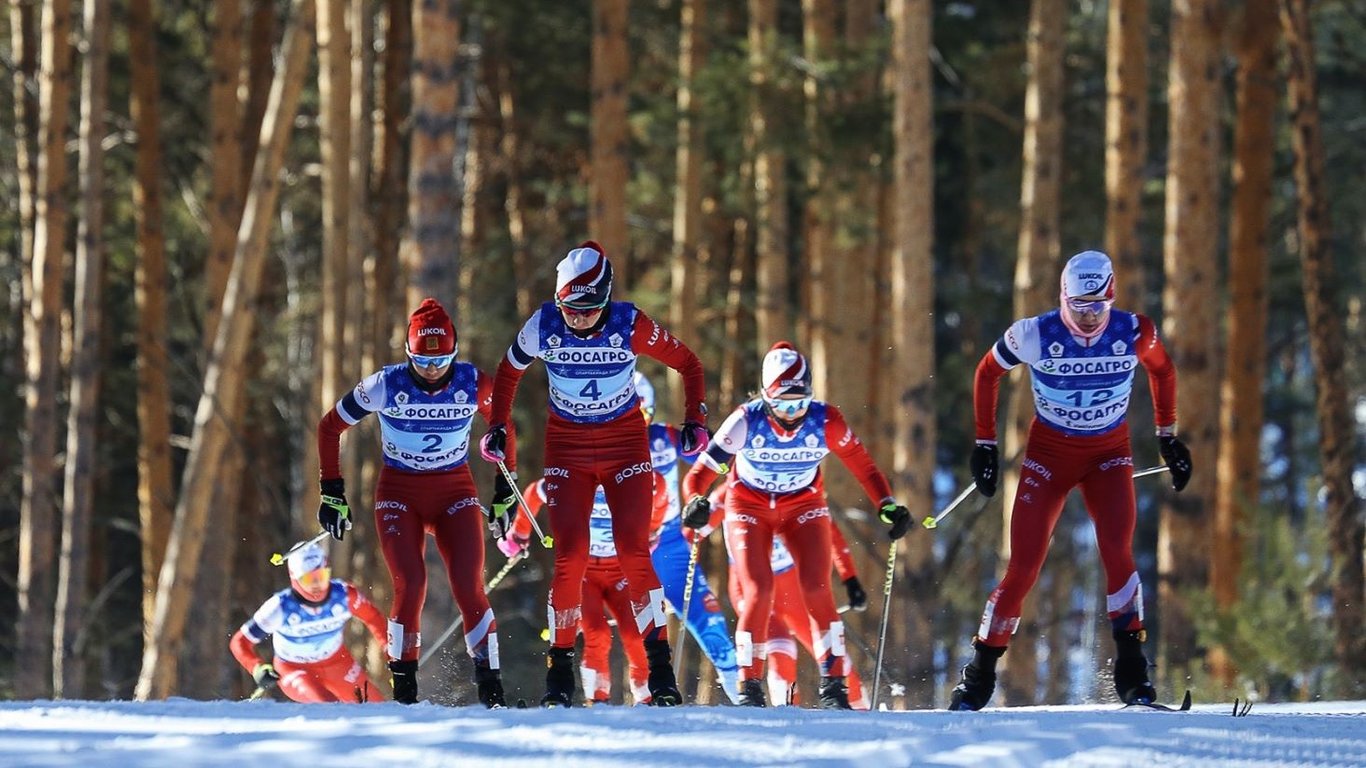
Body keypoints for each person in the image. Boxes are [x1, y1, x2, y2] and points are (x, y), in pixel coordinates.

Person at [950, 250, 1193, 711]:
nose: (1087, 318)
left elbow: (1162, 369)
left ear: (1111, 298)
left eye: (1097, 307)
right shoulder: (1034, 333)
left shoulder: (1134, 331)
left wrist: (1168, 437)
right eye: (1078, 307)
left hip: (1108, 454)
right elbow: (987, 373)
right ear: (1063, 298)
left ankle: (1133, 674)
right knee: (1023, 566)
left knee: (1118, 551)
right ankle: (978, 677)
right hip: (1049, 456)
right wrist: (984, 444)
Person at [479, 241, 710, 707]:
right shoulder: (544, 323)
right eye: (570, 308)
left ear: (605, 299)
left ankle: (660, 670)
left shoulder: (629, 323)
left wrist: (695, 420)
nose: (577, 318)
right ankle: (560, 673)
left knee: (633, 551)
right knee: (571, 556)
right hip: (567, 448)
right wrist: (499, 426)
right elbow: (508, 372)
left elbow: (688, 363)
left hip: (625, 444)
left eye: (588, 310)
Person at [679, 341, 912, 709]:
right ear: (766, 398)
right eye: (784, 405)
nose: (793, 414)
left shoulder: (826, 421)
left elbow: (864, 467)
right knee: (758, 591)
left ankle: (833, 686)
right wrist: (696, 500)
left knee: (817, 589)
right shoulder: (746, 420)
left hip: (803, 505)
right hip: (749, 507)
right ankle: (749, 686)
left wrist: (887, 505)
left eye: (801, 403)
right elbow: (699, 475)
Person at [316, 298, 518, 708]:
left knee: (468, 585)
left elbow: (503, 426)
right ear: (408, 355)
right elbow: (329, 426)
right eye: (422, 362)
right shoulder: (385, 385)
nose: (432, 370)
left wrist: (504, 491)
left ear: (454, 352)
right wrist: (331, 491)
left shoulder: (473, 383)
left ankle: (492, 689)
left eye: (442, 360)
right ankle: (405, 693)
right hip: (399, 495)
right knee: (411, 583)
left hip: (454, 493)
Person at [501, 471, 671, 705]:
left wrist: (651, 531)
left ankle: (647, 697)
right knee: (597, 632)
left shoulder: (643, 477)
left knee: (636, 633)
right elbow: (533, 493)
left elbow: (661, 500)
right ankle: (598, 699)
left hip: (620, 569)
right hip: (584, 571)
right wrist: (519, 533)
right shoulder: (575, 473)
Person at [703, 485, 871, 708]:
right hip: (751, 588)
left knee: (835, 660)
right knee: (781, 650)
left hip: (792, 590)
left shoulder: (797, 483)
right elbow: (690, 532)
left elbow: (829, 534)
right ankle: (785, 715)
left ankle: (861, 715)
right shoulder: (731, 491)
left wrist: (850, 578)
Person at [634, 372, 741, 704]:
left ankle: (744, 693)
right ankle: (640, 706)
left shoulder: (664, 438)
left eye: (642, 415)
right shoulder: (599, 448)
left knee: (710, 624)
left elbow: (718, 462)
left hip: (669, 548)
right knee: (636, 636)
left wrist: (711, 497)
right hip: (622, 552)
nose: (635, 425)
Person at [229, 541, 387, 703]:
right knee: (328, 706)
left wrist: (394, 658)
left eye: (322, 576)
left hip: (337, 662)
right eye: (309, 580)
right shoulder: (280, 607)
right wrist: (257, 667)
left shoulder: (344, 596)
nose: (317, 585)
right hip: (294, 668)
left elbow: (374, 618)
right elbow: (239, 641)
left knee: (376, 705)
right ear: (295, 579)